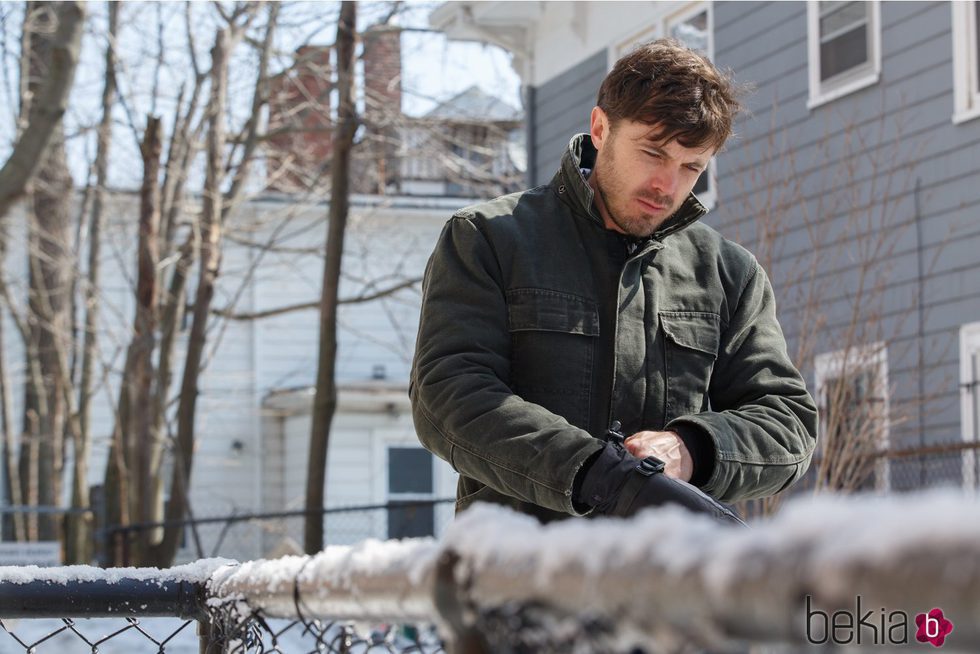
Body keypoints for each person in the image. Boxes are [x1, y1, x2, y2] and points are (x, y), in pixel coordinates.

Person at [409, 39, 817, 525]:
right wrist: (594, 473)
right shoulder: (489, 239)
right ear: (600, 128)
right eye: (652, 152)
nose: (667, 185)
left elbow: (787, 423)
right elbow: (449, 393)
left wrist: (690, 448)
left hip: (663, 584)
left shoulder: (729, 273)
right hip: (516, 576)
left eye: (692, 167)